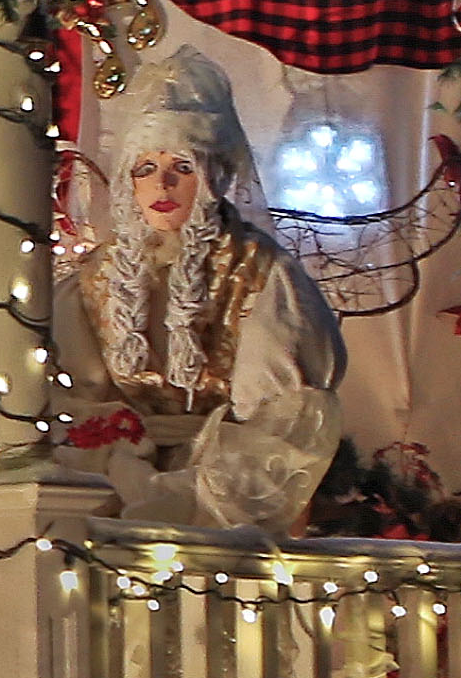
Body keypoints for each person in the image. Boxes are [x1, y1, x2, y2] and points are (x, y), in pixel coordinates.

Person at [67, 49, 346, 533]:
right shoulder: (96, 277)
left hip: (221, 481)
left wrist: (199, 480)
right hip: (115, 475)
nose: (163, 184)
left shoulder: (260, 272)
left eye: (182, 166)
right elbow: (72, 393)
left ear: (214, 174)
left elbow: (279, 412)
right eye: (145, 169)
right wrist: (122, 458)